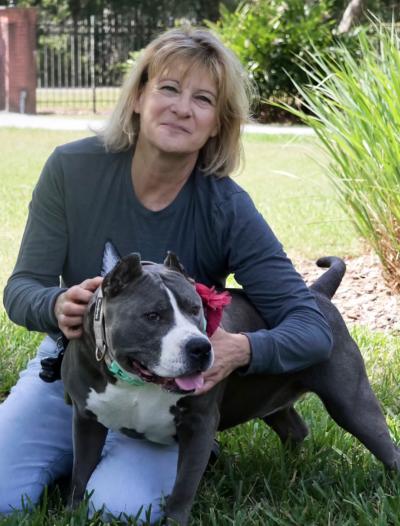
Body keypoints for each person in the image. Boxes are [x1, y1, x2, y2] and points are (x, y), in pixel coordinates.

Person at [0, 26, 333, 522]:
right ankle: (76, 443)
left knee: (117, 510)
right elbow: (19, 289)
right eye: (169, 89)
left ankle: (197, 442)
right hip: (78, 374)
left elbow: (313, 327)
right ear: (138, 97)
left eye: (203, 99)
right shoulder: (71, 170)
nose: (182, 108)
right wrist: (54, 304)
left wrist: (242, 349)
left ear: (218, 123)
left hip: (172, 395)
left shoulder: (226, 207)